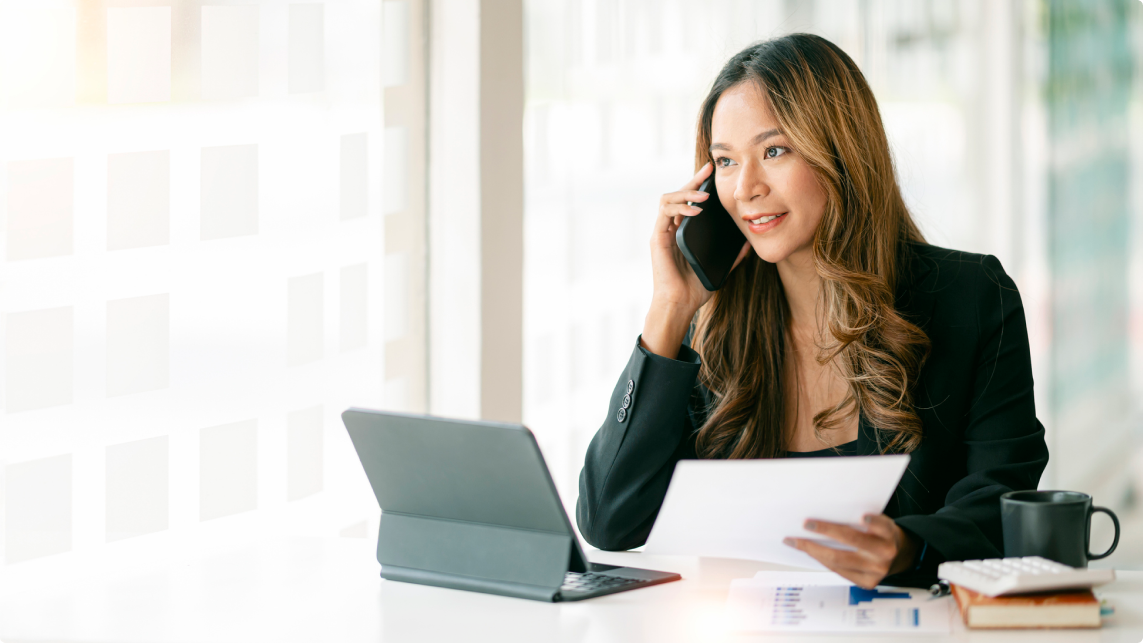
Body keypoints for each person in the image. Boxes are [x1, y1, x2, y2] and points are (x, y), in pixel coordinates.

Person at [575, 34, 1049, 589]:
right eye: (725, 161)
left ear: (839, 151)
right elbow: (610, 521)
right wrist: (669, 309)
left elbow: (1008, 501)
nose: (746, 187)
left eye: (774, 151)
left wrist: (908, 546)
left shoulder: (971, 297)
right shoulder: (712, 330)